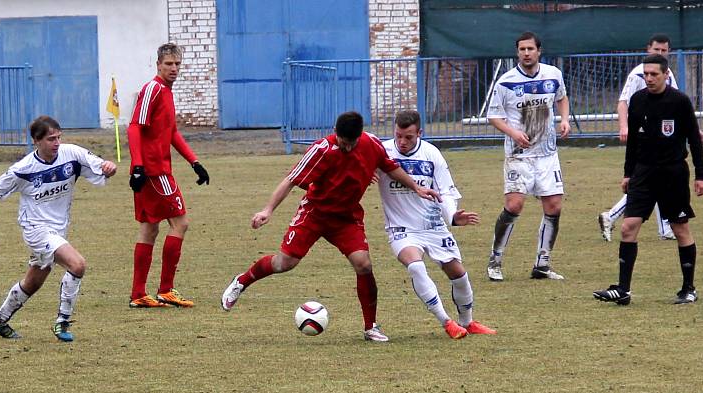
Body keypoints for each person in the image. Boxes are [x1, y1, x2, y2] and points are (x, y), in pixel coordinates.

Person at [220, 111, 441, 342]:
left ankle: (371, 327)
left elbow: (389, 167)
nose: (344, 147)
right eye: (341, 141)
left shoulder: (371, 145)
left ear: (358, 137)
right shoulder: (322, 149)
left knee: (363, 265)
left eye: (349, 143)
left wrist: (416, 187)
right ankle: (241, 281)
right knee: (284, 263)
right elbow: (291, 179)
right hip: (315, 213)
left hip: (346, 217)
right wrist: (267, 210)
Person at [0, 116, 117, 342]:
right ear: (36, 141)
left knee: (33, 281)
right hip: (36, 229)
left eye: (59, 137)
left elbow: (101, 167)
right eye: (51, 139)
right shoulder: (23, 169)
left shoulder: (71, 153)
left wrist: (109, 167)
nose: (57, 143)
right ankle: (62, 322)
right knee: (77, 264)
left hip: (58, 229)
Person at [593, 54, 703, 306]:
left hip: (673, 173)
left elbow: (694, 139)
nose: (649, 78)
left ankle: (688, 288)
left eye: (654, 74)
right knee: (627, 227)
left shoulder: (679, 101)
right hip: (644, 174)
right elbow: (633, 141)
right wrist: (627, 173)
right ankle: (623, 289)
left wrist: (701, 175)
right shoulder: (638, 100)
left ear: (666, 75)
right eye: (646, 74)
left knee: (680, 229)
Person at [378, 111, 496, 339]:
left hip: (432, 226)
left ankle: (468, 322)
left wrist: (452, 216)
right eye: (399, 135)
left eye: (409, 137)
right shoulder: (383, 152)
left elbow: (445, 190)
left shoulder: (432, 154)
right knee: (415, 266)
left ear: (419, 133)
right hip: (401, 229)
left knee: (459, 275)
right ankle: (447, 322)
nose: (402, 142)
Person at [127, 42, 210, 308]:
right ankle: (165, 290)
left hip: (156, 169)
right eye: (168, 64)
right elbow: (133, 128)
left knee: (149, 229)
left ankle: (139, 294)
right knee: (180, 223)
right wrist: (139, 166)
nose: (173, 68)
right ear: (158, 65)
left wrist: (194, 162)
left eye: (177, 64)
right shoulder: (152, 89)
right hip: (154, 171)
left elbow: (172, 133)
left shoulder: (167, 92)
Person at [485, 31, 570, 282]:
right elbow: (493, 116)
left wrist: (564, 120)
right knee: (514, 205)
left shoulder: (553, 75)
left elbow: (562, 98)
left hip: (547, 154)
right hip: (519, 155)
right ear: (517, 52)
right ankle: (495, 260)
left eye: (530, 49)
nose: (526, 53)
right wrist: (513, 133)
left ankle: (542, 264)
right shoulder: (506, 81)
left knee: (554, 206)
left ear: (538, 51)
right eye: (521, 49)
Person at [599, 33, 682, 242]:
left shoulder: (667, 73)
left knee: (656, 181)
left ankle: (662, 227)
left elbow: (677, 104)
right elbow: (622, 102)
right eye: (656, 50)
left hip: (662, 139)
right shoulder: (639, 74)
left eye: (664, 50)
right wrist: (624, 126)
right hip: (643, 139)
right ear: (648, 49)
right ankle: (612, 216)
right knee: (647, 183)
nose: (660, 53)